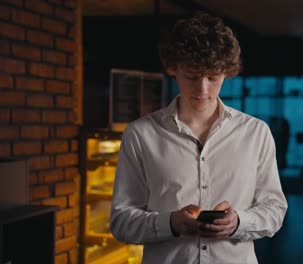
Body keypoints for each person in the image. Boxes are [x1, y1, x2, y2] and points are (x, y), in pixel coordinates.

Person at [110, 12, 288, 264]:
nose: (203, 89)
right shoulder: (140, 135)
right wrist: (170, 223)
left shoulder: (256, 132)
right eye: (192, 76)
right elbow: (121, 222)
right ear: (173, 69)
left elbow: (275, 210)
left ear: (226, 72)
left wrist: (239, 222)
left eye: (213, 77)